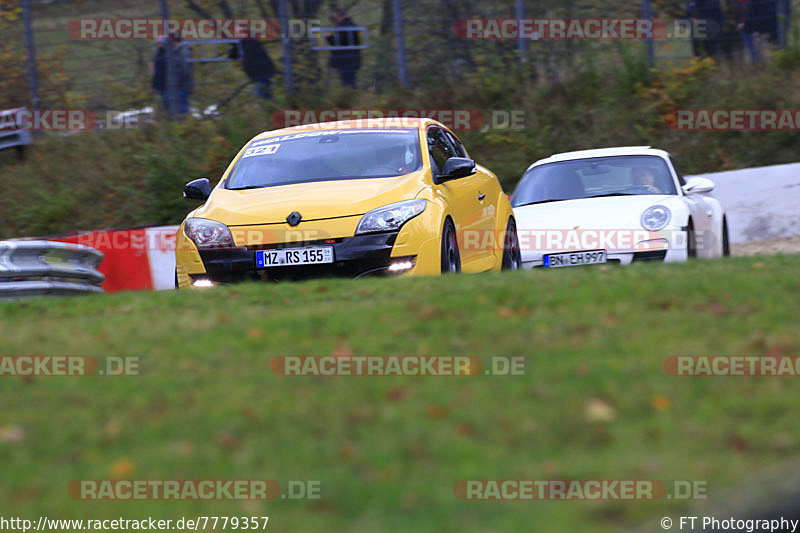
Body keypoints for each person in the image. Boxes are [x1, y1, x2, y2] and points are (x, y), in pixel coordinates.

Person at [326, 8, 362, 88]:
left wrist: (329, 37)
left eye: (335, 18)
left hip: (345, 60)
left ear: (340, 16)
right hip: (351, 59)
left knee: (347, 83)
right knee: (349, 81)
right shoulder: (351, 25)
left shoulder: (344, 26)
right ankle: (350, 97)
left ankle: (349, 98)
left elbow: (338, 42)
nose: (335, 20)